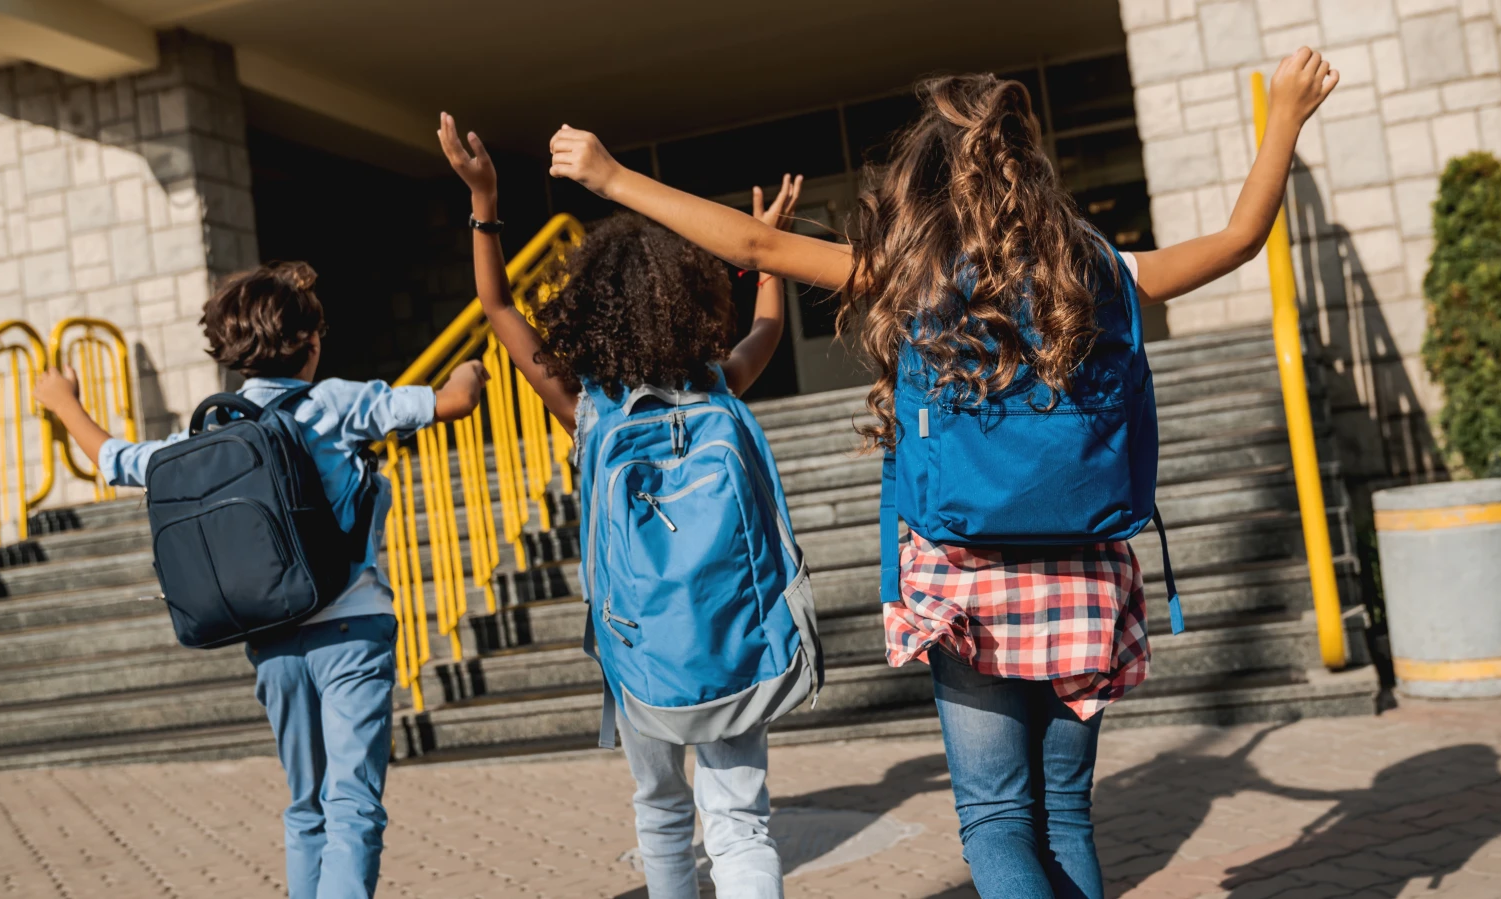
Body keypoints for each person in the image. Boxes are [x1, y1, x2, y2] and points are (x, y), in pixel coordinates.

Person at [544, 47, 1339, 899]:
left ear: (928, 182)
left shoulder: (913, 275)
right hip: (1088, 573)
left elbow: (750, 240)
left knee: (996, 818)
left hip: (966, 582)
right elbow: (1237, 240)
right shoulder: (1099, 268)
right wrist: (1284, 116)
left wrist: (613, 175)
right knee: (1065, 813)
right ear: (1028, 168)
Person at [33, 262, 489, 899]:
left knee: (306, 807)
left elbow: (120, 462)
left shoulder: (216, 431)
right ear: (313, 342)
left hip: (272, 640)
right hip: (352, 631)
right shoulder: (335, 403)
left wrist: (64, 404)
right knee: (352, 805)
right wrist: (473, 367)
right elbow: (456, 401)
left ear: (231, 353)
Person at [436, 112, 803, 899]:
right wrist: (765, 251)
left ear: (590, 309)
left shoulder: (589, 408)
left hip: (637, 647)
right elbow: (769, 325)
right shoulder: (720, 384)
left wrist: (484, 201)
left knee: (663, 808)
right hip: (732, 634)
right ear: (688, 301)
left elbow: (497, 306)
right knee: (742, 823)